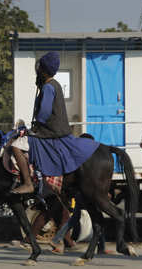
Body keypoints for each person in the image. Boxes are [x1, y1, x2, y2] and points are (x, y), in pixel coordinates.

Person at [10, 51, 99, 194]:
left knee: (15, 146)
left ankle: (28, 183)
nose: (37, 71)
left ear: (44, 71)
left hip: (49, 132)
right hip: (56, 130)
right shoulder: (54, 84)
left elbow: (44, 113)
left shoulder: (48, 87)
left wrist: (35, 128)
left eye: (39, 68)